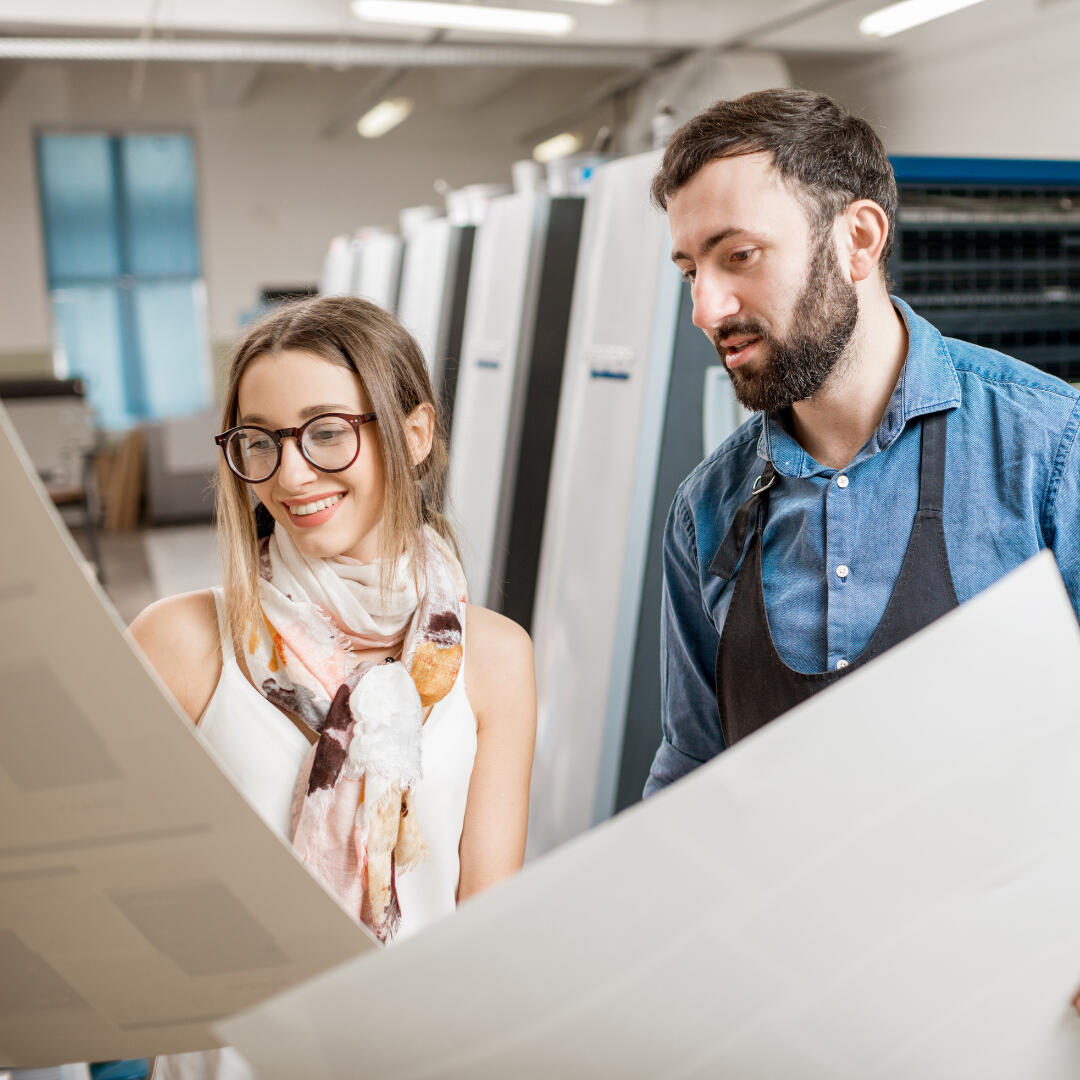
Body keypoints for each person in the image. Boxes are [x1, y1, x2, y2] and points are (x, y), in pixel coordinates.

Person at [129, 296, 536, 1077]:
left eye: (326, 433)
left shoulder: (492, 659)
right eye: (260, 442)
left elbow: (484, 934)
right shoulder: (181, 643)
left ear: (414, 436)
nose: (289, 474)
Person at [643, 87, 1080, 791]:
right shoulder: (706, 513)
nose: (705, 308)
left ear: (859, 240)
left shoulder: (1051, 450)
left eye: (740, 256)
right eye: (691, 271)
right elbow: (693, 773)